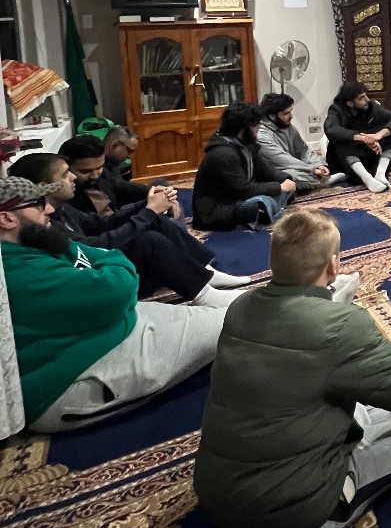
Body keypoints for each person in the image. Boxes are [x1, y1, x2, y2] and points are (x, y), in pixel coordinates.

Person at [195, 208, 391, 528]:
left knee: (351, 396)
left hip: (216, 501)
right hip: (290, 519)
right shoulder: (341, 326)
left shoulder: (241, 307)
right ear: (333, 266)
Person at [0, 174, 231, 432]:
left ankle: (204, 281)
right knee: (239, 324)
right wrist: (112, 261)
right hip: (74, 376)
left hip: (108, 329)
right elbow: (118, 285)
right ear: (6, 218)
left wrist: (106, 263)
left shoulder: (27, 246)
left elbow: (90, 255)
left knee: (231, 314)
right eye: (39, 204)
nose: (50, 209)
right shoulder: (19, 273)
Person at [10, 151, 249, 305]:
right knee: (149, 241)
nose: (74, 177)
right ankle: (204, 295)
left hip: (103, 262)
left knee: (155, 220)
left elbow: (100, 224)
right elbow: (99, 247)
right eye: (64, 174)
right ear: (44, 186)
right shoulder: (42, 224)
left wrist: (146, 204)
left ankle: (203, 271)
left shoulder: (61, 208)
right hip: (97, 278)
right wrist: (149, 211)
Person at [193, 102, 296, 230]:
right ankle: (265, 212)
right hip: (218, 208)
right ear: (242, 128)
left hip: (238, 198)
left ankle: (267, 211)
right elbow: (243, 190)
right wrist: (279, 187)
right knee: (261, 202)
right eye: (255, 124)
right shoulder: (222, 154)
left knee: (287, 189)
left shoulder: (246, 144)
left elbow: (264, 170)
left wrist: (285, 178)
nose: (259, 127)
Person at [324, 81, 391, 193]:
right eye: (361, 98)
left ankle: (380, 174)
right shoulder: (336, 109)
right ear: (350, 103)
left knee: (389, 134)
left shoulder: (372, 106)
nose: (367, 99)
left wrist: (377, 136)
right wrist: (363, 138)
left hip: (370, 155)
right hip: (346, 157)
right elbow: (331, 129)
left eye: (366, 95)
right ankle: (366, 179)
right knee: (340, 141)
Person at [256, 92, 344, 192]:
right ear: (272, 116)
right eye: (286, 113)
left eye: (290, 112)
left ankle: (317, 179)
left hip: (294, 166)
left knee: (318, 168)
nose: (291, 116)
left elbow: (303, 150)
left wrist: (318, 164)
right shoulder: (261, 134)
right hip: (276, 170)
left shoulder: (286, 126)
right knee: (292, 175)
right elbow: (281, 159)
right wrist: (312, 169)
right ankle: (323, 181)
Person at [59, 134, 152, 217]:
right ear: (66, 169)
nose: (95, 175)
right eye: (86, 171)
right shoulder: (67, 198)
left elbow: (119, 186)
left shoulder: (102, 174)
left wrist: (152, 191)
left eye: (99, 168)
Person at [103, 126, 150, 199]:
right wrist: (148, 190)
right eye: (129, 151)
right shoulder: (98, 165)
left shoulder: (113, 162)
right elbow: (117, 186)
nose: (130, 156)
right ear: (114, 145)